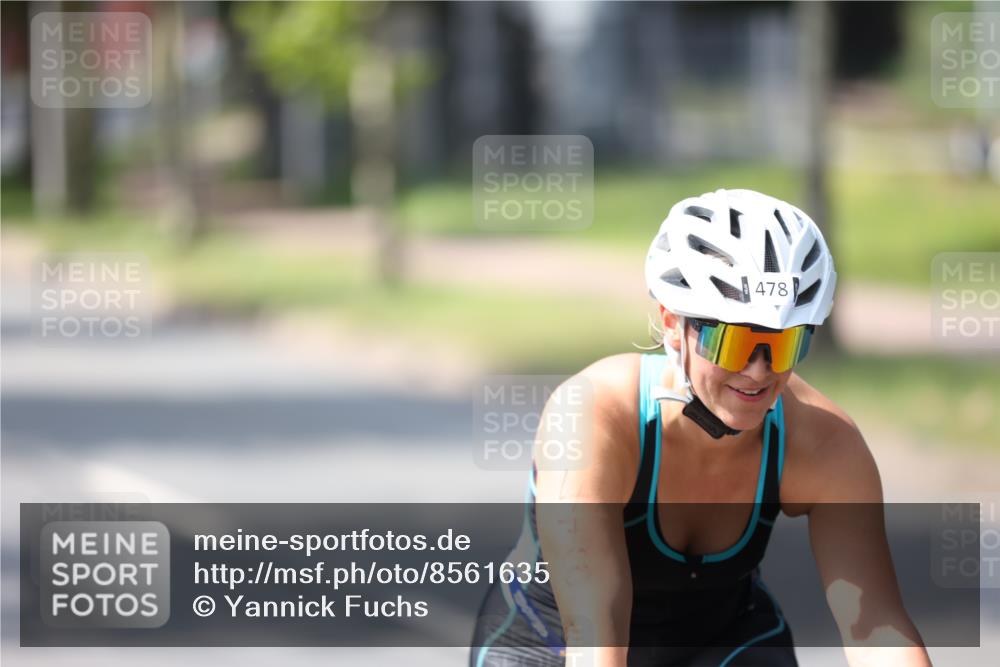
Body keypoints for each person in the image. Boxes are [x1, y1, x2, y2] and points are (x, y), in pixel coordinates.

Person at [470, 189, 932, 667]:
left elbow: (877, 632)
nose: (758, 370)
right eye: (734, 342)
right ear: (672, 323)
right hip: (557, 640)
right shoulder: (592, 415)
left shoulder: (826, 443)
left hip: (724, 641)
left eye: (783, 343)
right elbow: (595, 632)